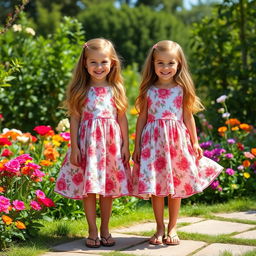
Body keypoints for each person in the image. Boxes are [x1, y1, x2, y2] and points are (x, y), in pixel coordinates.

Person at [132, 40, 223, 246]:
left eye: (171, 63)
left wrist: (195, 142)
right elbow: (142, 118)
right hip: (153, 144)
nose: (165, 68)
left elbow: (188, 117)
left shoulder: (181, 89)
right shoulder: (149, 90)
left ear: (179, 64)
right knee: (156, 187)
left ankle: (172, 227)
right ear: (153, 64)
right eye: (160, 63)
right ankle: (159, 227)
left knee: (175, 186)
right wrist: (136, 146)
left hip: (176, 142)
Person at [55, 38, 132, 248]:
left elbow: (122, 118)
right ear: (85, 64)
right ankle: (92, 229)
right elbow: (75, 118)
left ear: (112, 63)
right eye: (93, 62)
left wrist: (126, 146)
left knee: (108, 189)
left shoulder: (116, 88)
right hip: (88, 146)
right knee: (89, 190)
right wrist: (74, 147)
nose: (99, 67)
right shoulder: (81, 89)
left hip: (111, 147)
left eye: (103, 62)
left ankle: (106, 228)